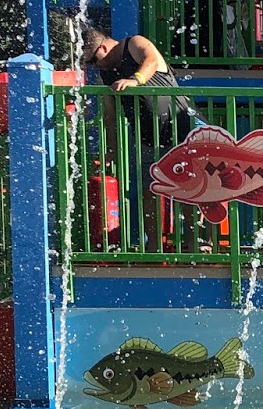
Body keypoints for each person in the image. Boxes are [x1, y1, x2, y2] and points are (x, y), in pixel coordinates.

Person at [82, 17, 198, 251]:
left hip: (180, 129)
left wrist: (135, 80)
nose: (95, 66)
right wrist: (111, 151)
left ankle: (194, 241)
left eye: (94, 60)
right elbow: (110, 117)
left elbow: (151, 60)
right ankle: (154, 246)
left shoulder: (134, 43)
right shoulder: (105, 76)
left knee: (189, 189)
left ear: (103, 48)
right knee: (149, 191)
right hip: (147, 138)